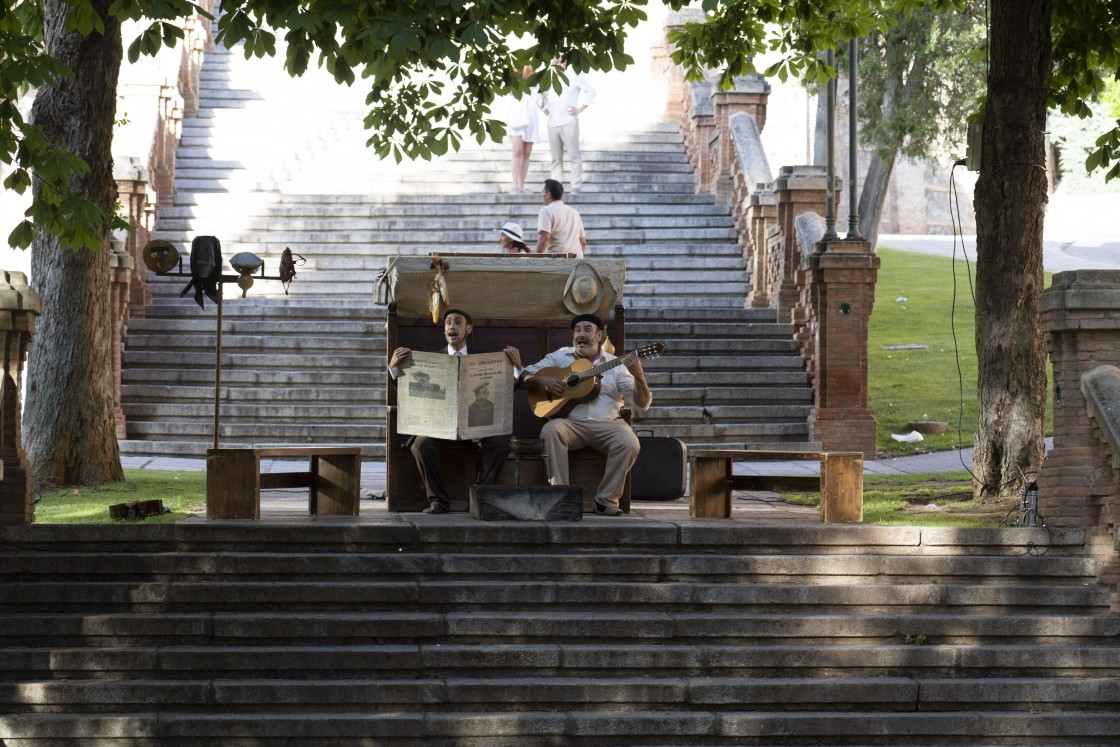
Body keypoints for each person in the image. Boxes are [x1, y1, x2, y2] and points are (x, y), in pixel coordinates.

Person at [509, 313, 651, 516]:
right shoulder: (560, 356)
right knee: (551, 430)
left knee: (630, 442)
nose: (580, 334)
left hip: (608, 424)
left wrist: (639, 376)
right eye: (577, 330)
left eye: (587, 329)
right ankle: (560, 497)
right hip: (571, 425)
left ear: (600, 335)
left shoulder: (617, 365)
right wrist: (544, 381)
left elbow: (642, 404)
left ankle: (605, 501)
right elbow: (524, 376)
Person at [389, 308, 518, 514]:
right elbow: (410, 392)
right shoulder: (430, 361)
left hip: (475, 426)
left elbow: (507, 388)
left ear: (468, 328)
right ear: (444, 330)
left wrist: (517, 367)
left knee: (499, 443)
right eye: (448, 322)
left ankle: (479, 499)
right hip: (440, 426)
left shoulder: (484, 360)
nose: (452, 326)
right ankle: (438, 502)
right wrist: (394, 368)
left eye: (457, 322)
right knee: (420, 444)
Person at [541, 58, 595, 192]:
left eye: (561, 61)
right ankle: (555, 188)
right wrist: (545, 107)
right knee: (555, 158)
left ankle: (576, 187)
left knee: (574, 156)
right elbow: (543, 96)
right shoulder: (549, 78)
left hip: (569, 121)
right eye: (555, 61)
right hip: (552, 122)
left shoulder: (574, 75)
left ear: (566, 63)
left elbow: (591, 91)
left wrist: (581, 108)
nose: (558, 63)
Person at [502, 65, 541, 194]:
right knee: (517, 151)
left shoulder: (536, 85)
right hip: (516, 121)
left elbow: (539, 102)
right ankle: (514, 185)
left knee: (527, 152)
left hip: (531, 121)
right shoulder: (513, 84)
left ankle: (521, 185)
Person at [536, 178, 586, 256]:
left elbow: (544, 238)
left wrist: (535, 260)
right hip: (577, 260)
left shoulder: (546, 211)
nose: (541, 193)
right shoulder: (575, 212)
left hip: (558, 261)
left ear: (548, 194)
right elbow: (583, 242)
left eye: (542, 191)